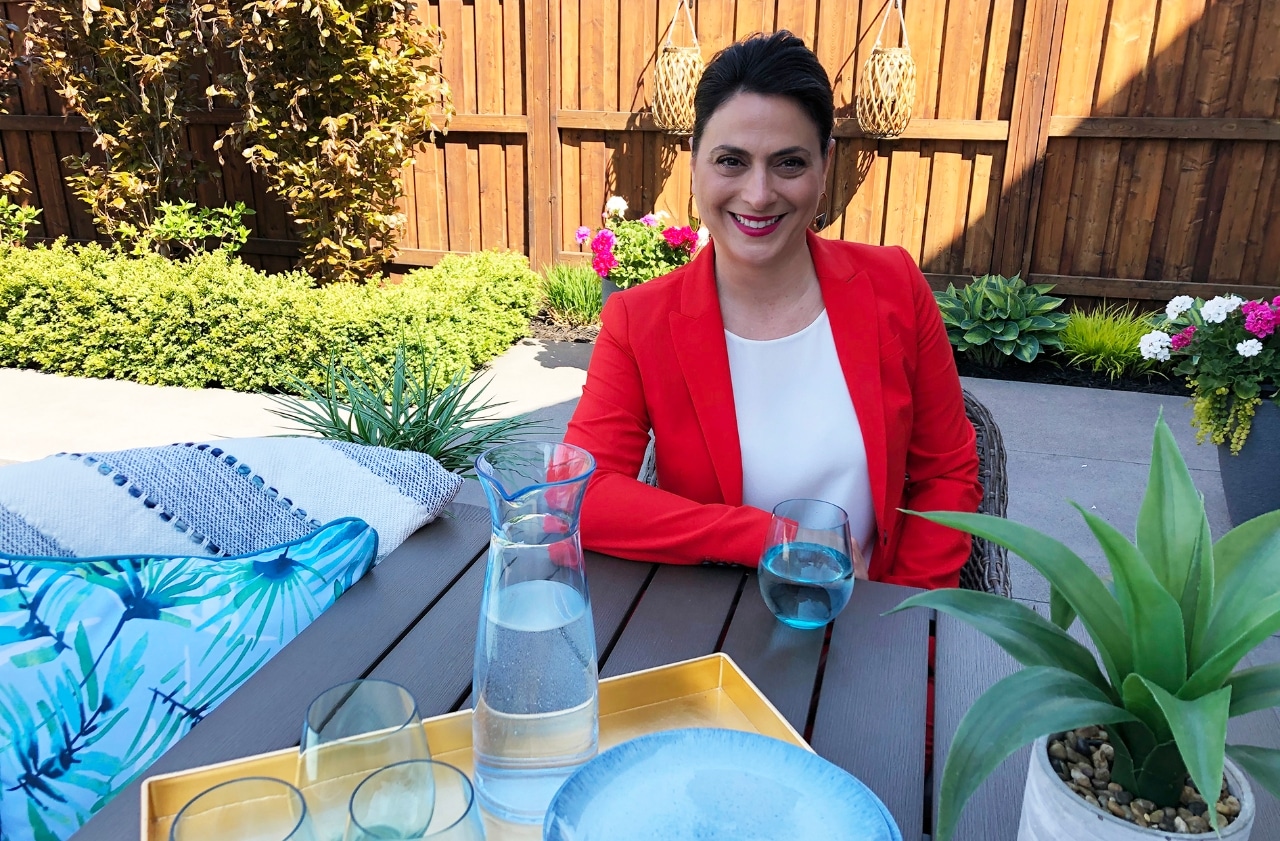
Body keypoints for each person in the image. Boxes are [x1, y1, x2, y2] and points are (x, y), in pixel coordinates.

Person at [563, 31, 981, 590]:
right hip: (708, 627)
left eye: (788, 163)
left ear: (825, 164)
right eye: (731, 160)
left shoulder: (894, 286)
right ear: (695, 161)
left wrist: (900, 619)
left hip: (873, 619)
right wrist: (766, 536)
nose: (758, 195)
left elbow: (946, 473)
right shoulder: (640, 322)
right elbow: (581, 492)